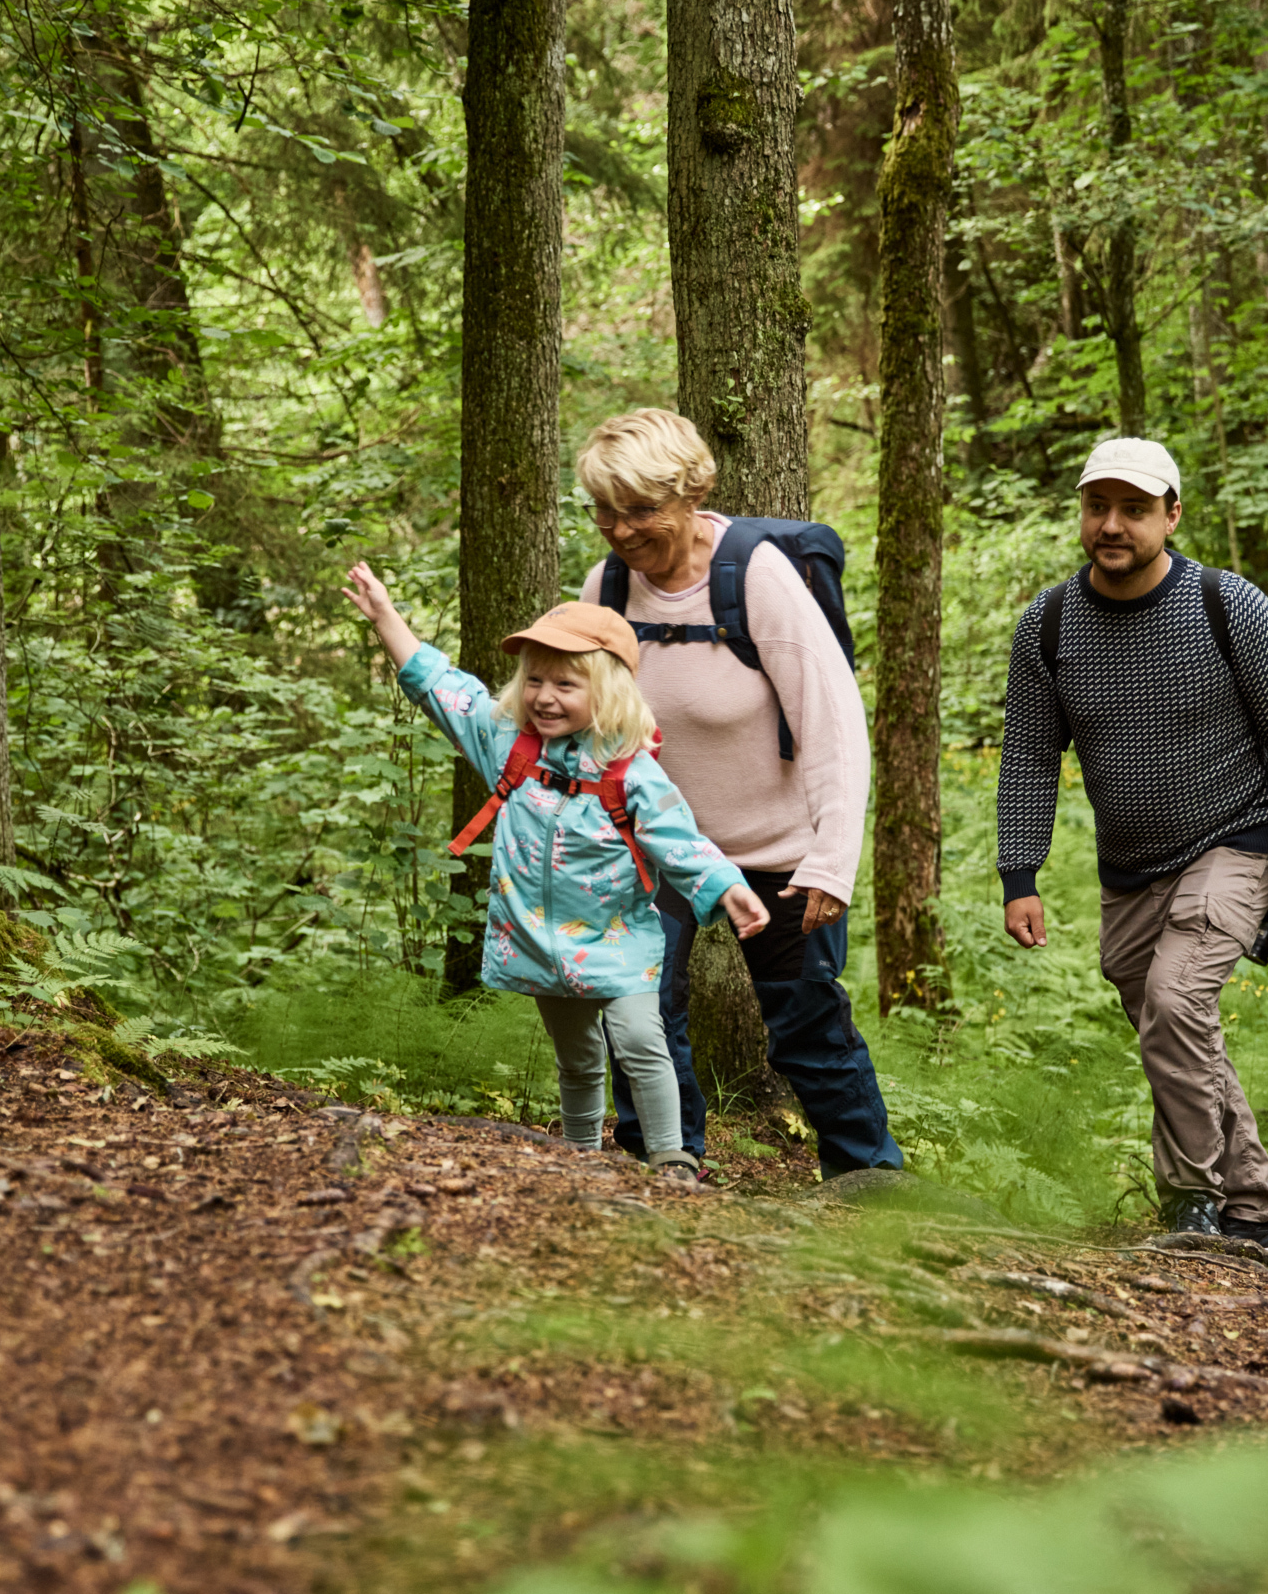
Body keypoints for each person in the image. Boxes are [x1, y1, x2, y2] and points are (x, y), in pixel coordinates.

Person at [998, 437, 1268, 1257]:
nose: (1112, 525)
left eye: (1135, 509)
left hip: (1235, 836)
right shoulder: (1047, 625)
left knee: (1177, 1003)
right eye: (1098, 507)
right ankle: (1257, 1209)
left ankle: (1191, 1199)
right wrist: (1021, 872)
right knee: (1170, 1025)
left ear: (1172, 514)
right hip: (1130, 864)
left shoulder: (1229, 605)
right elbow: (1028, 754)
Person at [342, 562, 768, 1181]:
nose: (545, 696)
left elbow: (681, 841)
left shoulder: (630, 772)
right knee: (577, 1058)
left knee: (643, 1042)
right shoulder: (509, 746)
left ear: (608, 690)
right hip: (542, 940)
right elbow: (443, 687)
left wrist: (730, 887)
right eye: (535, 679)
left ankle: (671, 1155)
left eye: (566, 684)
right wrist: (387, 618)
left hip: (618, 941)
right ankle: (577, 1158)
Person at [571, 409, 905, 1180]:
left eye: (640, 510)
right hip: (656, 846)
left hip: (778, 848)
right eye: (604, 511)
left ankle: (870, 1183)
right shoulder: (607, 587)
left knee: (806, 1025)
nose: (619, 531)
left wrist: (831, 860)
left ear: (691, 493)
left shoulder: (754, 575)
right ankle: (666, 1159)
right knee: (640, 1008)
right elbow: (583, 719)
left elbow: (834, 724)